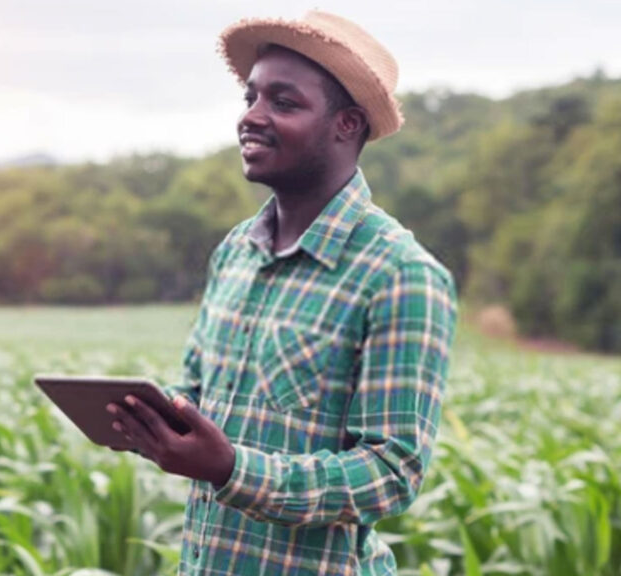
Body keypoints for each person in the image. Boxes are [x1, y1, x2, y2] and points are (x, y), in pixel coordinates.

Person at [106, 10, 458, 575]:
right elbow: (198, 393)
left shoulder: (399, 273)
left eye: (283, 103)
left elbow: (390, 473)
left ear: (347, 125)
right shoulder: (235, 252)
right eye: (250, 98)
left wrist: (231, 470)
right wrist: (149, 417)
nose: (252, 118)